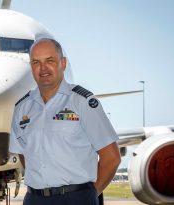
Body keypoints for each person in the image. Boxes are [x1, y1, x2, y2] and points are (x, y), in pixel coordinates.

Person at [9, 38, 121, 205]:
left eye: (50, 61)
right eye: (36, 62)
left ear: (63, 63)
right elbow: (24, 154)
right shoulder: (22, 109)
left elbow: (112, 158)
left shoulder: (82, 102)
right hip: (35, 199)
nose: (43, 68)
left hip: (75, 197)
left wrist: (89, 195)